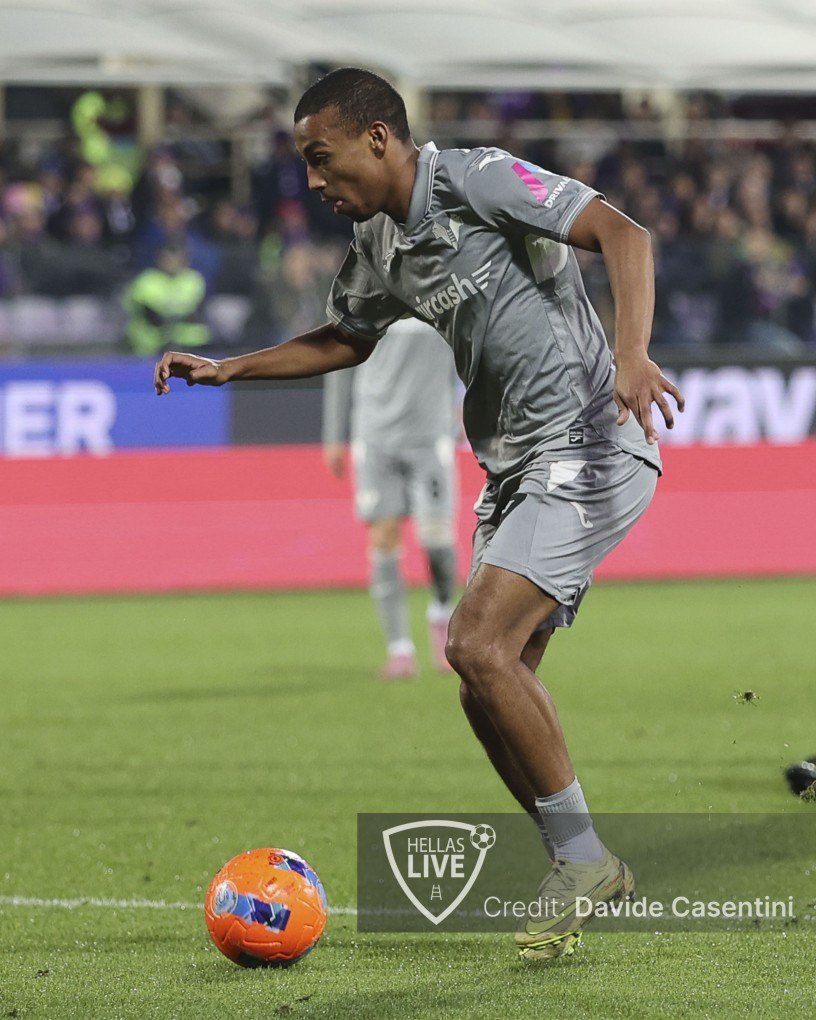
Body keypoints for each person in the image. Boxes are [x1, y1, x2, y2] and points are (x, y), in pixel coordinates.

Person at [154, 67, 684, 961]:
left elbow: (621, 232)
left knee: (475, 643)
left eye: (321, 158)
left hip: (590, 438)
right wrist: (231, 368)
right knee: (486, 683)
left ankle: (583, 859)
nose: (314, 181)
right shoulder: (377, 244)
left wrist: (631, 352)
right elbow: (345, 338)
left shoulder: (478, 179)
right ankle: (582, 860)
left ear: (377, 138)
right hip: (514, 467)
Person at [322, 316, 460, 679]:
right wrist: (333, 434)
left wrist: (468, 403)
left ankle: (441, 610)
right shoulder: (363, 297)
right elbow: (339, 364)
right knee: (383, 536)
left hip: (430, 437)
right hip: (375, 437)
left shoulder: (444, 294)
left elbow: (476, 346)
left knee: (437, 542)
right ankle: (400, 648)